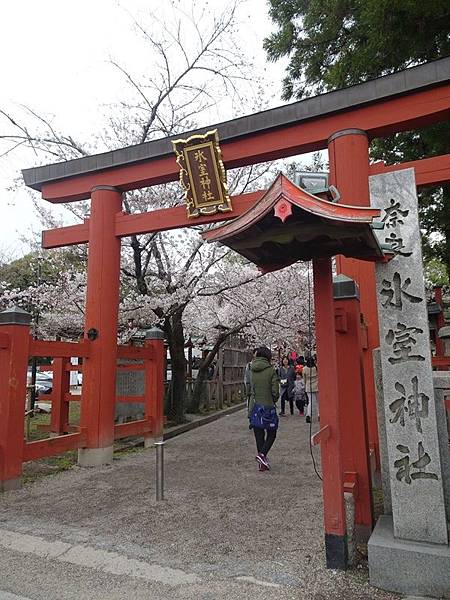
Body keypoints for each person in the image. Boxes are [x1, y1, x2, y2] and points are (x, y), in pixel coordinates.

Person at [247, 346, 280, 471]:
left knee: (259, 435)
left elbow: (248, 387)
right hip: (268, 406)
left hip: (255, 406)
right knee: (272, 433)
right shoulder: (271, 370)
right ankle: (262, 455)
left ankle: (262, 463)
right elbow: (275, 391)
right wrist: (273, 399)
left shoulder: (251, 369)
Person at [303, 356, 319, 423]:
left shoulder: (305, 369)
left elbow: (304, 379)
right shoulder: (316, 367)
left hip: (308, 386)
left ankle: (308, 415)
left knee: (310, 402)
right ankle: (319, 414)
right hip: (317, 385)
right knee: (318, 402)